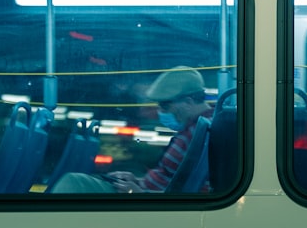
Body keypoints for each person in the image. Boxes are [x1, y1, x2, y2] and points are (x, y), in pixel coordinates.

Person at [50, 66, 212, 193]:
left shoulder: (205, 133)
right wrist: (137, 180)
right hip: (144, 190)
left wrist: (140, 193)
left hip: (150, 201)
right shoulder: (193, 129)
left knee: (74, 184)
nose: (160, 112)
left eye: (165, 105)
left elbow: (195, 189)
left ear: (189, 102)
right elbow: (172, 178)